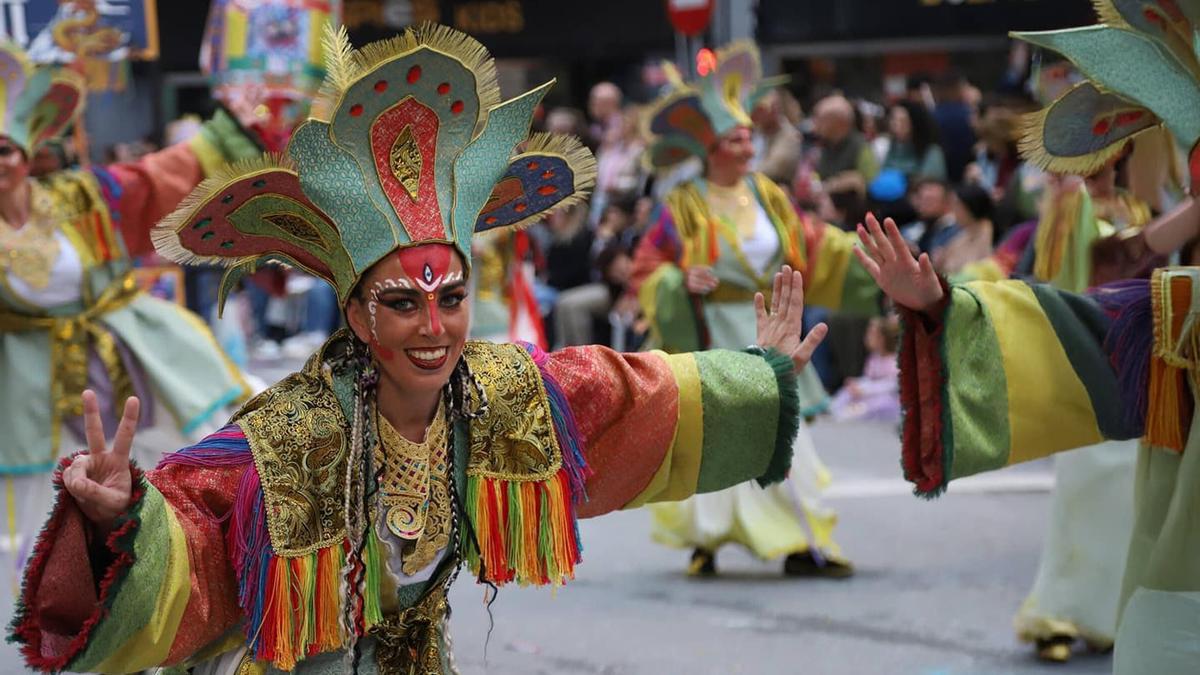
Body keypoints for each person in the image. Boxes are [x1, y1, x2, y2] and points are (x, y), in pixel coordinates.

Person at [9, 24, 831, 673]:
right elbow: (195, 529)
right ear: (360, 318)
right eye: (402, 304)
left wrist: (759, 376)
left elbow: (626, 398)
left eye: (451, 299)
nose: (433, 328)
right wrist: (121, 519)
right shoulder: (290, 439)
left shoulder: (501, 396)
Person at [851, 7, 1200, 672]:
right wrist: (945, 306)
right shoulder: (1096, 226)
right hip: (1140, 393)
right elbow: (1092, 297)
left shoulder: (1133, 223)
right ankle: (1069, 610)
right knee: (1100, 507)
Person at [0, 42, 259, 584]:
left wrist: (232, 131)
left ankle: (201, 574)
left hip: (130, 356)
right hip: (36, 392)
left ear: (25, 154)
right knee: (62, 510)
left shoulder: (77, 197)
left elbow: (157, 180)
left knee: (185, 468)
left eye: (3, 148)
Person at [632, 40, 879, 578]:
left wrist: (876, 268)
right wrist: (679, 279)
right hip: (713, 331)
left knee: (784, 430)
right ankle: (710, 535)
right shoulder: (682, 205)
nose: (747, 148)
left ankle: (799, 539)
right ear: (713, 148)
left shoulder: (770, 195)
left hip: (773, 328)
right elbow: (647, 268)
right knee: (716, 430)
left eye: (748, 138)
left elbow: (815, 244)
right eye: (736, 140)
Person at [828, 315, 900, 423]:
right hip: (868, 393)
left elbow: (891, 385)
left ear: (882, 338)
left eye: (871, 334)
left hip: (886, 397)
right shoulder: (874, 358)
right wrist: (856, 384)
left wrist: (864, 390)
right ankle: (840, 409)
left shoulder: (893, 361)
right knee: (845, 394)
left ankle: (855, 411)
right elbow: (868, 379)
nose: (867, 337)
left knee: (879, 403)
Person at [812, 94, 879, 183]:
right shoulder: (824, 145)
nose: (815, 127)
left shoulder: (861, 148)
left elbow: (872, 181)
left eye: (822, 120)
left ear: (839, 123)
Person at [931, 183, 993, 276]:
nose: (953, 210)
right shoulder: (963, 235)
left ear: (970, 207)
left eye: (957, 206)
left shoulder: (989, 233)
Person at [880, 100, 946, 183]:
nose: (895, 125)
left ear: (915, 124)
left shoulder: (932, 152)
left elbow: (930, 184)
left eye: (902, 121)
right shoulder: (888, 147)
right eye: (893, 119)